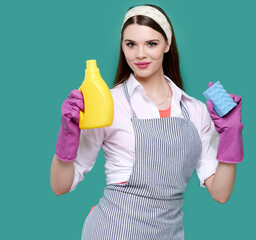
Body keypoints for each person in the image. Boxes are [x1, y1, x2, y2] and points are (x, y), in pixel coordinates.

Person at [50, 4, 244, 240]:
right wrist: (67, 137)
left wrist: (231, 136)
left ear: (167, 45)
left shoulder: (195, 110)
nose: (140, 54)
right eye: (130, 44)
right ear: (122, 47)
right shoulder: (108, 103)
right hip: (112, 232)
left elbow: (220, 192)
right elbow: (60, 186)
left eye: (151, 43)